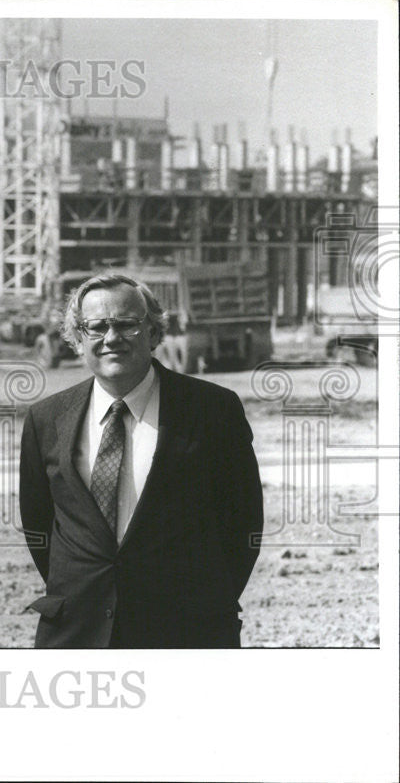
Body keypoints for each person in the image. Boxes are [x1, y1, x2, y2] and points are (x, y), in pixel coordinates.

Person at [19, 274, 263, 648]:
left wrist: (209, 602)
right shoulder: (46, 419)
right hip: (77, 634)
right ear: (78, 338)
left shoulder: (213, 410)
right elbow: (39, 525)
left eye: (127, 325)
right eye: (97, 327)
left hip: (186, 632)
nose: (111, 338)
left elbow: (242, 521)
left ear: (152, 333)